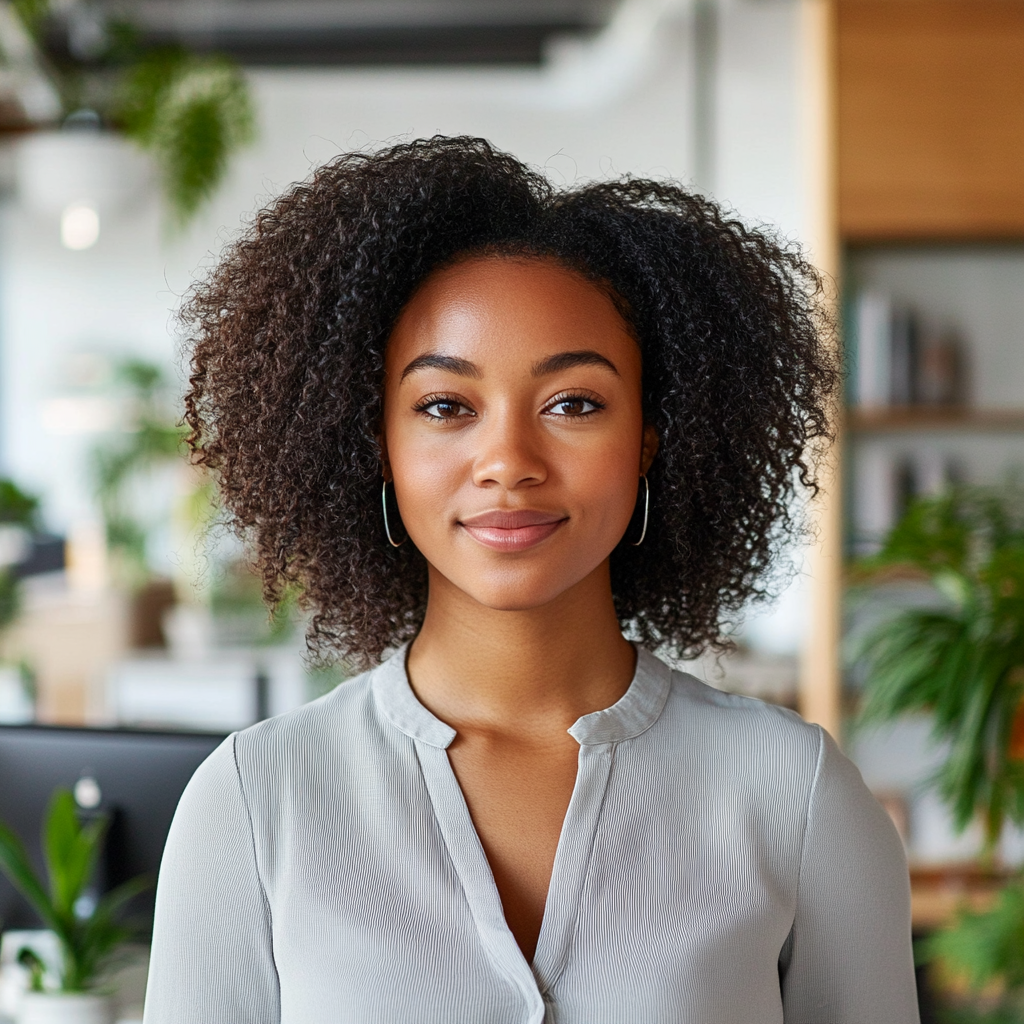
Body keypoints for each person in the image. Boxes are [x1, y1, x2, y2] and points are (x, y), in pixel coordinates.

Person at [144, 137, 919, 1024]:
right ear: (378, 446)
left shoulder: (799, 796)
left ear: (650, 439)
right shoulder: (253, 800)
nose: (507, 461)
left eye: (574, 404)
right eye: (445, 406)